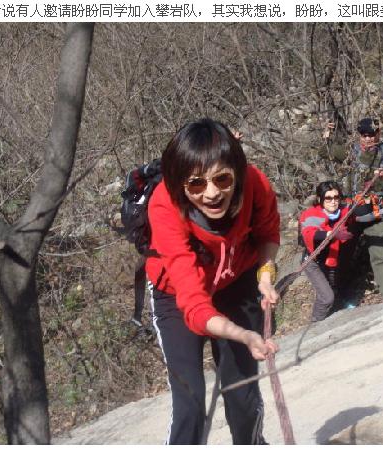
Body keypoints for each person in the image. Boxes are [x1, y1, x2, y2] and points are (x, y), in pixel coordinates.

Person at [145, 118, 280, 444]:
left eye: (222, 178)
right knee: (190, 402)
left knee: (242, 394)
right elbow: (194, 306)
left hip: (236, 282)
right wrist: (243, 334)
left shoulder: (255, 184)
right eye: (196, 184)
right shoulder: (165, 206)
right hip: (176, 294)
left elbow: (267, 235)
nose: (212, 193)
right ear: (180, 185)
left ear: (237, 171)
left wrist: (265, 277)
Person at [324, 117, 383, 303]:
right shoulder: (351, 152)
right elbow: (328, 151)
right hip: (352, 211)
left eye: (371, 134)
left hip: (376, 209)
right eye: (364, 135)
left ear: (378, 133)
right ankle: (331, 299)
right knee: (339, 252)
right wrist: (327, 135)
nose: (368, 138)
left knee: (382, 252)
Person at [299, 181, 355, 322]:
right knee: (327, 297)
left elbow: (356, 211)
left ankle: (333, 313)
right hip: (313, 261)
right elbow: (308, 233)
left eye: (336, 197)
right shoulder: (311, 214)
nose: (333, 201)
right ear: (320, 199)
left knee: (334, 287)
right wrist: (330, 234)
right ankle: (316, 322)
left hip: (331, 258)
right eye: (328, 198)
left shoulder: (344, 211)